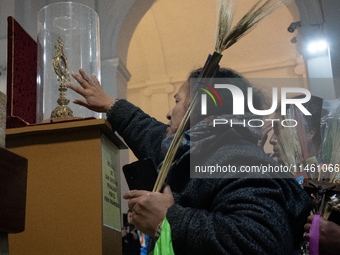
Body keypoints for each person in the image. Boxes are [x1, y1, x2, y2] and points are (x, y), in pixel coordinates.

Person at [67, 68, 313, 255]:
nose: (168, 113)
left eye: (176, 101)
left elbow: (263, 241)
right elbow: (152, 135)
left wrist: (168, 218)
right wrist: (112, 106)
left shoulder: (238, 159)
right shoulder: (206, 150)